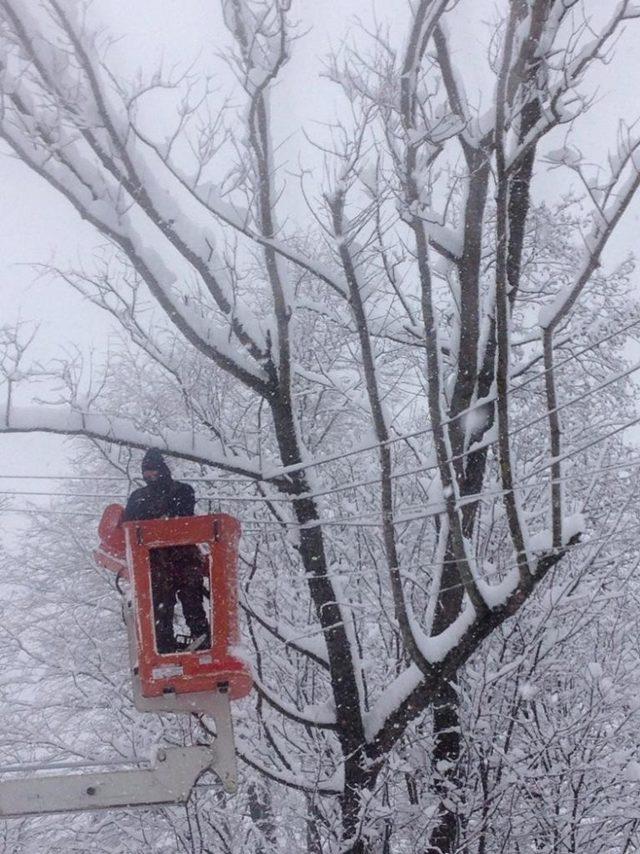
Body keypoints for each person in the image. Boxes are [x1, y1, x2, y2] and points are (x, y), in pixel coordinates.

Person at [123, 448, 210, 654]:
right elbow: (128, 527)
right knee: (162, 605)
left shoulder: (182, 490)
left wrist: (159, 525)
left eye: (153, 471)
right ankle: (165, 645)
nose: (150, 476)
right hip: (156, 561)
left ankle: (202, 637)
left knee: (192, 599)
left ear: (162, 470)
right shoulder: (137, 497)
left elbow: (184, 519)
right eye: (146, 472)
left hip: (183, 556)